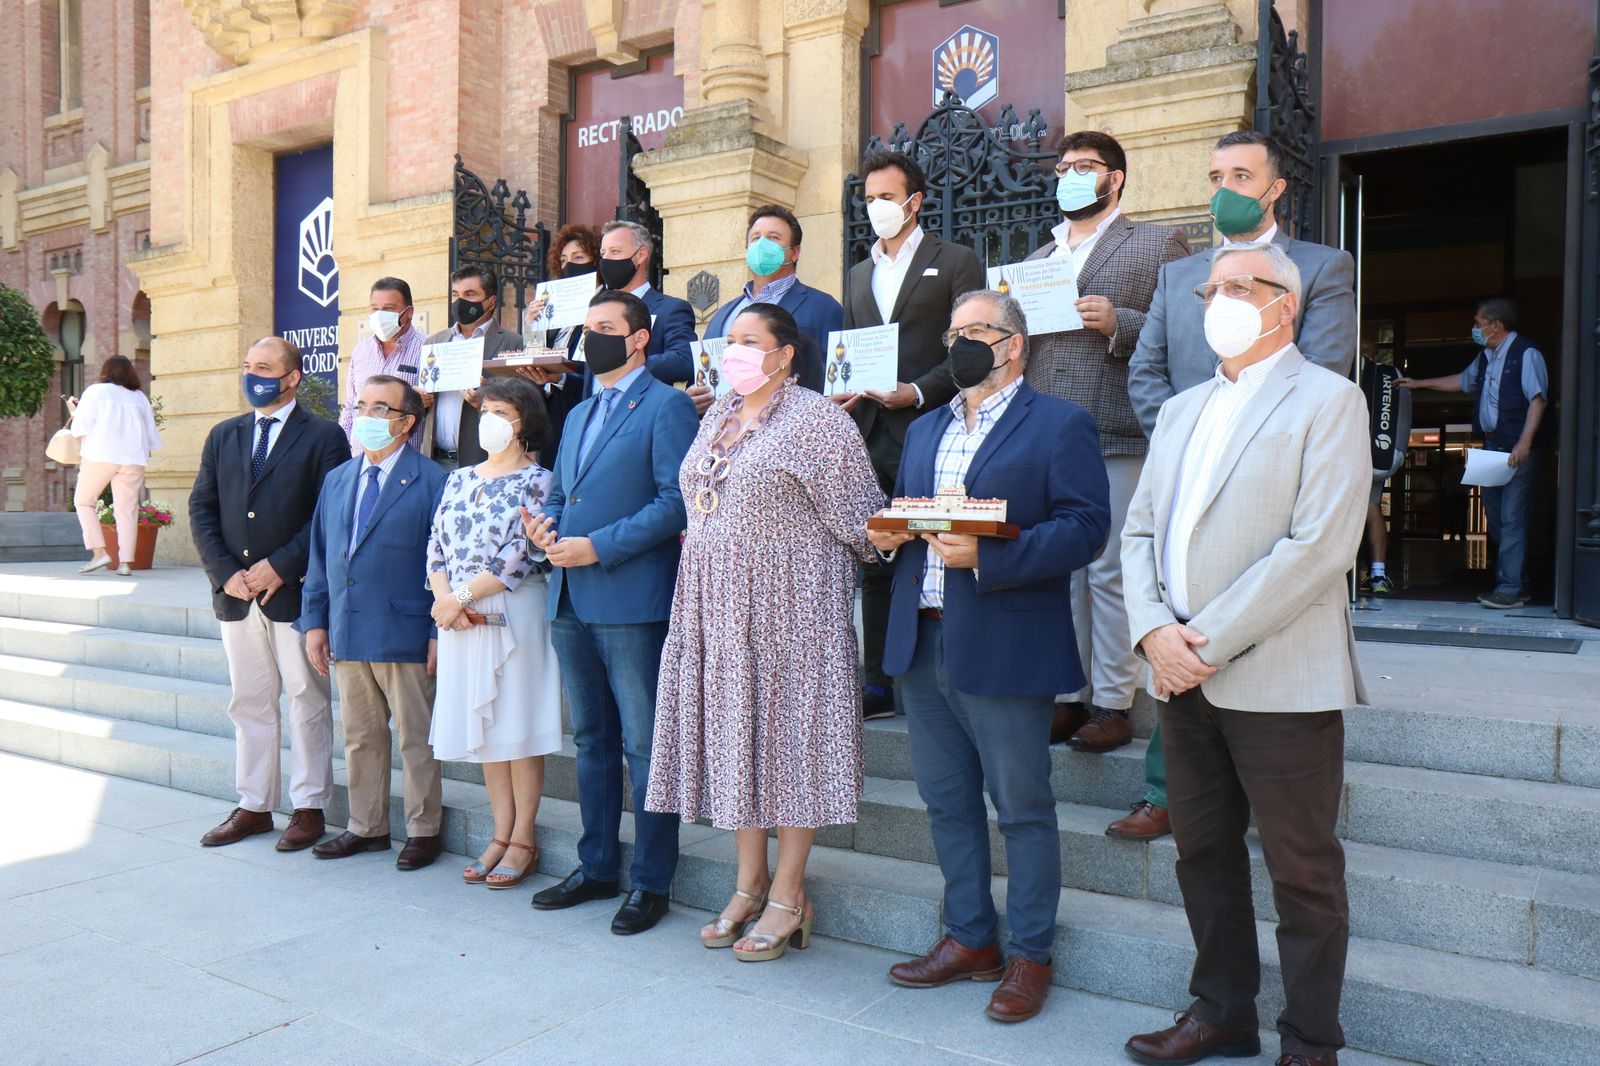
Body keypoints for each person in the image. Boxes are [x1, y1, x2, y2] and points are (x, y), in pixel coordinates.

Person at [1120, 244, 1368, 1066]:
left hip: (1278, 677)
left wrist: (1204, 643)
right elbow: (1141, 531)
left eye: (1238, 286)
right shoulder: (1183, 410)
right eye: (1210, 289)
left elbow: (1318, 546)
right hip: (1178, 673)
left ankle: (1311, 1041)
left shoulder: (1329, 400)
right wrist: (1154, 633)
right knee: (1202, 855)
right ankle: (1222, 1012)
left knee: (1302, 870)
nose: (1217, 300)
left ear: (1284, 304)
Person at [869, 290, 1110, 1024]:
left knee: (1022, 807)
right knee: (947, 802)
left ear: (1015, 344)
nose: (964, 343)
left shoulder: (1061, 423)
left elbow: (1085, 529)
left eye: (979, 330)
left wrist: (990, 558)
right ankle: (970, 938)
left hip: (1007, 641)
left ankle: (1031, 953)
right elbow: (911, 513)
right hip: (922, 638)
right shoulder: (926, 428)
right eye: (955, 333)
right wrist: (888, 535)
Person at [1112, 128, 1357, 843]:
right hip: (1185, 478)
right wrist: (1187, 441)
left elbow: (1323, 369)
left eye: (1241, 176)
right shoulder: (1178, 276)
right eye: (1215, 176)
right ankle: (1166, 794)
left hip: (1272, 484)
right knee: (1175, 640)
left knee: (1297, 848)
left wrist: (1233, 444)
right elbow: (1146, 371)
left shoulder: (1320, 267)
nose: (1225, 190)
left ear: (1275, 188)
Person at [646, 303, 883, 961]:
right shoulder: (718, 412)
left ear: (785, 353)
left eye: (750, 341)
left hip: (793, 613)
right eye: (731, 340)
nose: (735, 352)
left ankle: (788, 893)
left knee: (790, 745)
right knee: (736, 740)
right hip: (714, 609)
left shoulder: (819, 421)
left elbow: (863, 523)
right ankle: (748, 883)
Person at [522, 289, 698, 935]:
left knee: (644, 743)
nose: (590, 337)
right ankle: (596, 865)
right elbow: (563, 493)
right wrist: (546, 531)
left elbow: (676, 501)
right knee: (592, 738)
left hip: (630, 597)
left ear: (640, 338)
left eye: (604, 326)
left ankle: (651, 880)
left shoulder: (667, 406)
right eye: (586, 326)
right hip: (569, 595)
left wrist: (598, 545)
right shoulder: (577, 412)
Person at [1020, 130, 1190, 751]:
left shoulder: (1156, 242)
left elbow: (1183, 327)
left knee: (1111, 569)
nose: (1070, 176)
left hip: (1115, 426)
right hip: (1047, 431)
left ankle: (1113, 702)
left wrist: (1122, 321)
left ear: (1114, 178)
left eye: (1084, 166)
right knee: (1065, 569)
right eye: (1063, 167)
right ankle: (1070, 694)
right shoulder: (1038, 259)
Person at [839, 149, 985, 720]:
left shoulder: (955, 261)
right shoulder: (858, 273)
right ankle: (879, 680)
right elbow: (850, 349)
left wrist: (919, 392)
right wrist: (844, 389)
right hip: (869, 431)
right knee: (878, 549)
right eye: (869, 198)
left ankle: (950, 670)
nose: (876, 206)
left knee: (940, 542)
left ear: (914, 201)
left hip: (933, 425)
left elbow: (970, 346)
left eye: (886, 196)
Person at [188, 337, 349, 851]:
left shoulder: (324, 436)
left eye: (264, 367)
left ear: (292, 377)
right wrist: (224, 573)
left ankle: (309, 807)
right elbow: (201, 508)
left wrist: (280, 565)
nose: (252, 375)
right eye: (248, 366)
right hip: (236, 596)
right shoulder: (224, 435)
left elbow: (327, 513)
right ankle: (254, 805)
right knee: (250, 702)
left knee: (306, 698)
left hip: (294, 592)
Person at [299, 376, 449, 869]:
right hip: (348, 626)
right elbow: (321, 556)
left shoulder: (434, 480)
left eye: (380, 408)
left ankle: (423, 829)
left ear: (407, 423)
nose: (366, 416)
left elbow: (445, 562)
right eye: (361, 405)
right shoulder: (339, 478)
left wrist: (437, 632)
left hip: (406, 630)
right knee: (361, 735)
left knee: (415, 736)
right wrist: (316, 621)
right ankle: (367, 827)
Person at [428, 375, 563, 888]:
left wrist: (459, 598)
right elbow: (435, 544)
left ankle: (523, 837)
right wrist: (445, 599)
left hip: (512, 612)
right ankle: (500, 831)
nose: (489, 420)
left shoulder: (540, 480)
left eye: (501, 412)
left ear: (525, 422)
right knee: (486, 730)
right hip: (458, 617)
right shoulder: (458, 478)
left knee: (516, 726)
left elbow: (519, 555)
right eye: (485, 411)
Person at [1396, 297, 1548, 609]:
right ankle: (1518, 582)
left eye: (1479, 323)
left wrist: (1524, 443)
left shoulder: (1526, 353)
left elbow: (1537, 399)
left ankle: (1510, 589)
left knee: (1512, 518)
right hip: (1491, 447)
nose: (1474, 328)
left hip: (1517, 449)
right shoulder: (1486, 357)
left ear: (1496, 326)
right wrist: (1419, 383)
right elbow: (1461, 381)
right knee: (1496, 519)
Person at [701, 205, 843, 393]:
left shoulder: (823, 308)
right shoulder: (723, 315)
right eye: (756, 238)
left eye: (773, 237)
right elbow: (703, 373)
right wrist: (695, 396)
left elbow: (835, 372)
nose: (762, 245)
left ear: (795, 253)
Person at [422, 266, 526, 471]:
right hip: (433, 462)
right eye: (455, 294)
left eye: (469, 294)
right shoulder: (434, 342)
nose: (460, 301)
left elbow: (524, 405)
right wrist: (419, 398)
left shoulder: (513, 343)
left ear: (491, 302)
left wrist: (486, 401)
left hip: (483, 460)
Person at [67, 355, 161, 576]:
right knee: (127, 511)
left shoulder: (95, 391)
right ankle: (125, 564)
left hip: (101, 454)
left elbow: (80, 428)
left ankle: (99, 553)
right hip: (133, 458)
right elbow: (151, 434)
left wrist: (73, 411)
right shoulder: (139, 397)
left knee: (83, 502)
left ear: (106, 371)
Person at [521, 224, 600, 465]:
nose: (569, 265)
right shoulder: (554, 310)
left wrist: (560, 378)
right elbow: (537, 355)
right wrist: (532, 326)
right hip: (552, 417)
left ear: (596, 261)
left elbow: (592, 370)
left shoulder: (606, 305)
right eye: (563, 260)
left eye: (579, 257)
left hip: (586, 412)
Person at [338, 277, 427, 454]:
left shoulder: (428, 348)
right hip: (361, 456)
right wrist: (342, 446)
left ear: (408, 312)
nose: (380, 315)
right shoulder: (361, 350)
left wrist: (419, 400)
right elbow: (350, 405)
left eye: (388, 309)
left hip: (406, 457)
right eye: (375, 309)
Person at [1358, 342, 1411, 596]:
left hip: (1350, 455)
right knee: (1372, 507)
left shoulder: (1351, 371)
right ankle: (1378, 573)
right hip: (1377, 456)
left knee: (1344, 510)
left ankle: (1347, 574)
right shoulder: (1388, 377)